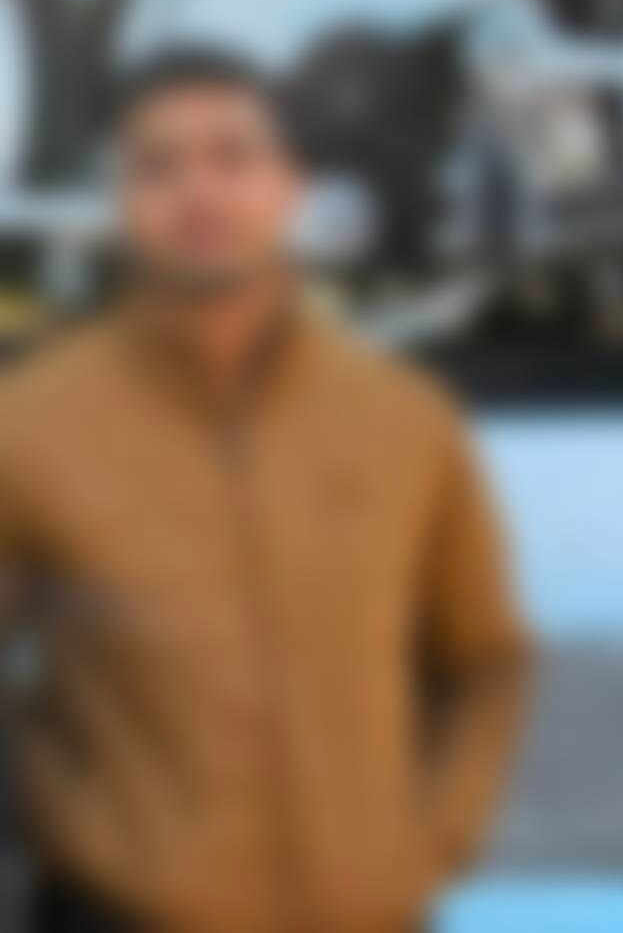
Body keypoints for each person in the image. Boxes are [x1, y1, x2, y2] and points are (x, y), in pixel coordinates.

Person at [0, 49, 531, 932]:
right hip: (126, 912)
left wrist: (432, 839)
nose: (199, 192)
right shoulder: (32, 424)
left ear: (291, 187)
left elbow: (485, 659)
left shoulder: (404, 420)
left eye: (233, 156)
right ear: (121, 201)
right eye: (159, 166)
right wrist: (61, 824)